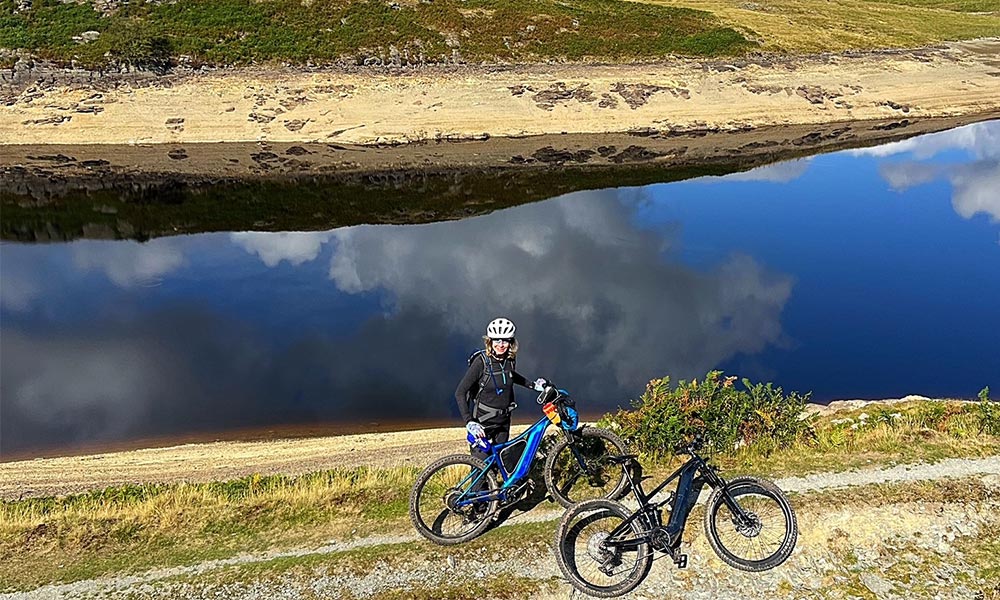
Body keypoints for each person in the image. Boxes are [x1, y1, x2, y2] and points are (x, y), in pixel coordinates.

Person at [455, 317, 547, 465]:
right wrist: (469, 422)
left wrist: (533, 385)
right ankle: (477, 489)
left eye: (505, 340)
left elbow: (510, 375)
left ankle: (498, 488)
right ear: (489, 341)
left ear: (511, 342)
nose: (501, 344)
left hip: (503, 423)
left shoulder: (510, 360)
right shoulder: (481, 362)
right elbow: (460, 392)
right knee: (481, 470)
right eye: (496, 340)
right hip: (482, 425)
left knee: (499, 465)